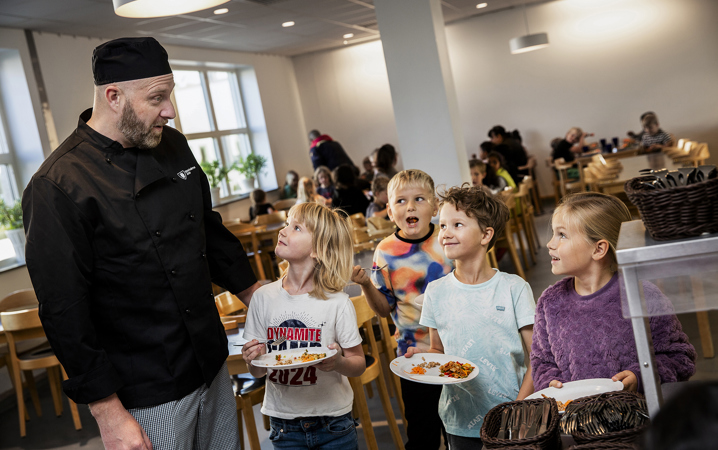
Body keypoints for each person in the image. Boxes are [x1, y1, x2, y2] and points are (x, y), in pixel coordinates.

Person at [22, 37, 261, 449]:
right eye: (157, 98)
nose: (169, 110)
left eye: (169, 95)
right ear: (113, 96)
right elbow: (65, 311)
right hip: (146, 386)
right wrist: (107, 412)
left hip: (210, 358)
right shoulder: (58, 185)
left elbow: (208, 230)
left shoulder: (173, 145)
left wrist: (259, 295)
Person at [409, 184, 535, 449]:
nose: (445, 233)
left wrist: (519, 408)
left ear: (486, 235)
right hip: (460, 420)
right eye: (442, 225)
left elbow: (538, 358)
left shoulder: (514, 288)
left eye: (457, 224)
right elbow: (438, 350)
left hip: (513, 416)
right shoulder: (435, 291)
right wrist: (420, 360)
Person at [531, 193, 696, 392]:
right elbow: (541, 362)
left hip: (638, 418)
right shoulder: (549, 302)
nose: (550, 243)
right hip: (575, 420)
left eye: (562, 235)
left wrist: (639, 377)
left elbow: (679, 357)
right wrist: (549, 382)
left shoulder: (644, 296)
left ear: (599, 249)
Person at [242, 202, 366, 449]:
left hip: (334, 423)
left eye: (296, 227)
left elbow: (358, 363)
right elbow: (257, 371)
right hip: (284, 424)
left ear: (318, 249)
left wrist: (339, 362)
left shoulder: (338, 303)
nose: (283, 231)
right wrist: (251, 359)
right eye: (287, 223)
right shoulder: (263, 298)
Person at [351, 169, 453, 450]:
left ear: (434, 206)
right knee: (422, 432)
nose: (410, 206)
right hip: (413, 353)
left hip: (456, 349)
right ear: (388, 210)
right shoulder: (384, 251)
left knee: (460, 427)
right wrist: (365, 286)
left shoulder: (448, 240)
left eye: (419, 199)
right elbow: (384, 309)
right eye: (401, 201)